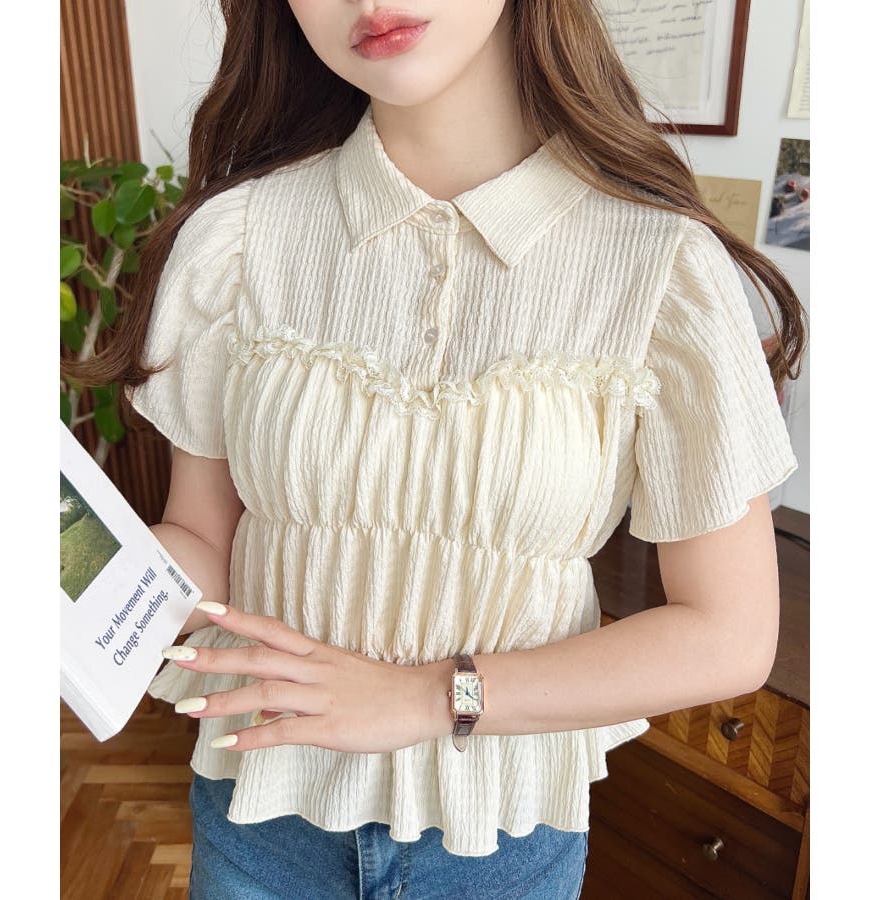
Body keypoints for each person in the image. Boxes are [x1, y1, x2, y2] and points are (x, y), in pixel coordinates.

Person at [68, 1, 808, 897]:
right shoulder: (237, 238)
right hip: (260, 810)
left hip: (498, 839)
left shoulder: (661, 266)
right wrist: (70, 584)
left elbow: (729, 636)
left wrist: (423, 696)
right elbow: (203, 549)